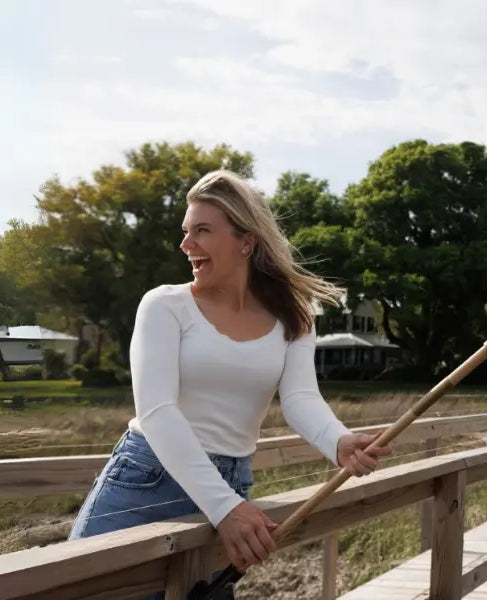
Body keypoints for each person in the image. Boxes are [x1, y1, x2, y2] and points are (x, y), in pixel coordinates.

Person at [68, 170, 391, 598]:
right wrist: (227, 508)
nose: (187, 245)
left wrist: (338, 440)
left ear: (246, 241)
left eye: (202, 231)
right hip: (146, 483)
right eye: (186, 232)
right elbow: (157, 411)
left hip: (230, 485)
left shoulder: (294, 316)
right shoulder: (164, 305)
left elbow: (299, 397)